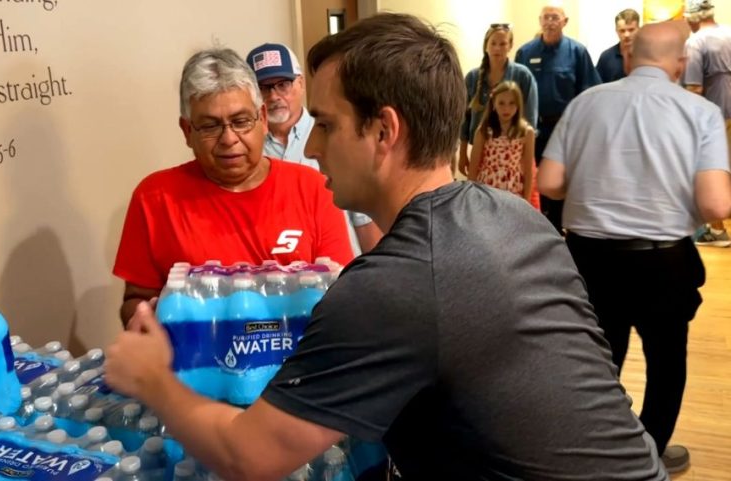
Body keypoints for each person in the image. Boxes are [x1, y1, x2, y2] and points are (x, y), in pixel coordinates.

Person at [105, 13, 668, 480]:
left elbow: (248, 456)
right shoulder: (514, 216)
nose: (313, 146)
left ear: (384, 131)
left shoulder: (394, 284)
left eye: (325, 124)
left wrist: (152, 378)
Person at [538, 22, 731, 474]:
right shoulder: (698, 112)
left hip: (589, 258)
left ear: (628, 58)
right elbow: (715, 203)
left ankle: (598, 452)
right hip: (663, 260)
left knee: (598, 362)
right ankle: (647, 454)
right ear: (680, 63)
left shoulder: (586, 103)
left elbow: (549, 182)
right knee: (665, 364)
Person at [112, 48, 353, 324]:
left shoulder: (312, 188)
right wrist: (143, 318)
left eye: (240, 122)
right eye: (210, 126)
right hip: (198, 363)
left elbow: (338, 293)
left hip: (302, 361)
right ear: (187, 131)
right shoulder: (154, 197)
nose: (228, 139)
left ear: (262, 119)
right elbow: (136, 299)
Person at [245, 43, 383, 255]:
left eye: (283, 84)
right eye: (263, 88)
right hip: (277, 279)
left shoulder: (337, 135)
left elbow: (365, 222)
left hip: (342, 276)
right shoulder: (246, 152)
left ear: (301, 83)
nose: (273, 96)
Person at [516, 4, 601, 233]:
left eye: (555, 17)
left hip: (565, 129)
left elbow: (589, 93)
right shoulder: (525, 53)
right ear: (539, 20)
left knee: (562, 182)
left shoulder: (578, 52)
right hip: (533, 129)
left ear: (565, 21)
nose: (550, 22)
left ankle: (561, 231)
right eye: (546, 17)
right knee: (533, 180)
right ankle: (537, 229)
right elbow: (516, 93)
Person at [458, 24, 537, 177]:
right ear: (486, 46)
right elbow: (463, 119)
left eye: (503, 44)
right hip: (479, 151)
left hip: (513, 153)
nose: (497, 48)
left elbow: (530, 119)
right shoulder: (473, 78)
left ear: (510, 46)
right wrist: (462, 154)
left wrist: (525, 157)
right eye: (493, 43)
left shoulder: (523, 75)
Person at [683, 0, 731, 247]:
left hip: (716, 113)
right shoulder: (729, 33)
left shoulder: (696, 41)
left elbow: (694, 88)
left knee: (712, 170)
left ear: (692, 18)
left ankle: (716, 230)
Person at [468, 81, 538, 208]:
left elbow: (528, 172)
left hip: (513, 190)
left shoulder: (526, 132)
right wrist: (470, 200)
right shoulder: (483, 131)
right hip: (486, 189)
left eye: (512, 103)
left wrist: (527, 203)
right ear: (494, 104)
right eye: (501, 103)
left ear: (518, 105)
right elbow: (473, 168)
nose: (506, 108)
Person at [596, 9, 641, 83]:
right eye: (622, 31)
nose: (627, 35)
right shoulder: (606, 57)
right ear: (616, 31)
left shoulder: (648, 56)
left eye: (631, 30)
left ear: (639, 29)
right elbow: (597, 86)